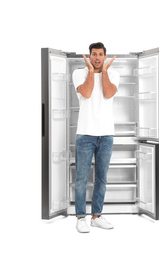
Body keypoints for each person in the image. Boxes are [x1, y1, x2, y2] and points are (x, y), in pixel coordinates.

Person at [72, 42, 120, 233]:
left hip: (106, 134)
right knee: (81, 179)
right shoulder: (79, 73)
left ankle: (96, 216)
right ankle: (81, 218)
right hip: (85, 134)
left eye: (101, 54)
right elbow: (86, 92)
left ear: (105, 56)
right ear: (89, 56)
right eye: (94, 54)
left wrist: (104, 72)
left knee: (101, 178)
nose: (97, 57)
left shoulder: (113, 73)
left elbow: (108, 93)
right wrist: (92, 72)